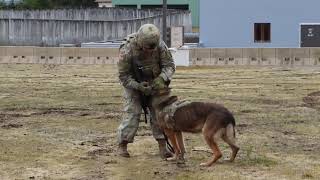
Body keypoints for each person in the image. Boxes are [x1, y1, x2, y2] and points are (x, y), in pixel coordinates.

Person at [117, 24, 175, 158]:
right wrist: (138, 86)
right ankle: (122, 145)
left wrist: (161, 78)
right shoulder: (127, 49)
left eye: (152, 48)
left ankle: (163, 145)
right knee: (132, 113)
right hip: (133, 85)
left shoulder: (160, 46)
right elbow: (123, 76)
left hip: (156, 84)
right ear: (140, 42)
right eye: (147, 48)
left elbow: (169, 66)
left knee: (160, 113)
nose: (150, 51)